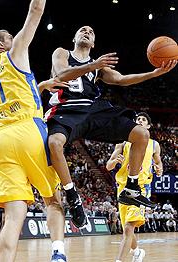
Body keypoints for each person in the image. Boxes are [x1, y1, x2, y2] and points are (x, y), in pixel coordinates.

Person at [42, 25, 176, 225]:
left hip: (94, 109)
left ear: (93, 43)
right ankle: (73, 196)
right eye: (82, 30)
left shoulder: (98, 67)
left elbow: (121, 79)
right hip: (67, 108)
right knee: (54, 143)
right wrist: (92, 66)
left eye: (91, 31)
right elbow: (61, 75)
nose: (87, 31)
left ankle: (131, 188)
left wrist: (153, 74)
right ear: (74, 38)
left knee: (141, 134)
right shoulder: (62, 53)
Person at [0, 1, 69, 261]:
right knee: (52, 199)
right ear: (1, 44)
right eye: (9, 37)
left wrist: (40, 85)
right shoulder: (15, 52)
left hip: (3, 140)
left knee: (12, 216)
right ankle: (58, 253)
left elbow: (16, 94)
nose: (14, 37)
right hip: (29, 131)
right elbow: (35, 11)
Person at [106, 112, 163, 262]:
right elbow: (108, 165)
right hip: (123, 188)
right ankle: (137, 252)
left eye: (144, 119)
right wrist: (115, 161)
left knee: (128, 228)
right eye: (138, 119)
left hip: (141, 189)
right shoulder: (123, 142)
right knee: (126, 227)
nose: (140, 121)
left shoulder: (154, 145)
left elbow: (159, 163)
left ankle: (119, 260)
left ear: (148, 126)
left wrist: (159, 168)